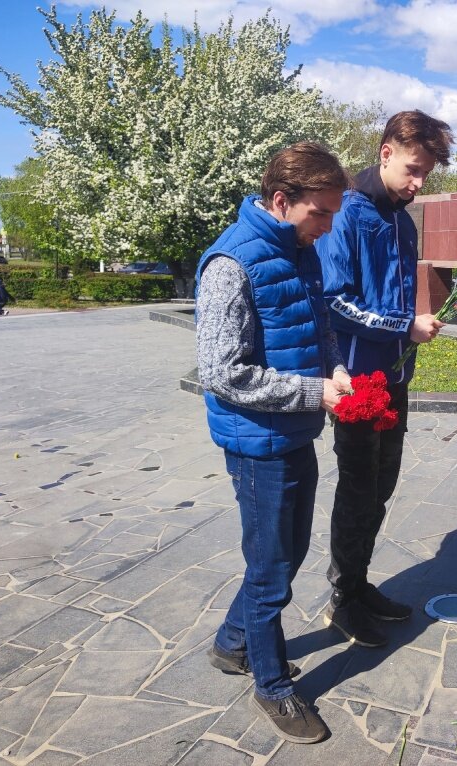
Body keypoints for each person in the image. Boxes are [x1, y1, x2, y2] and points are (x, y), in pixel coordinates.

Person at [194, 142, 351, 744]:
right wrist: (315, 393)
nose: (328, 226)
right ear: (282, 200)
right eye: (320, 212)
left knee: (285, 555)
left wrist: (335, 368)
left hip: (294, 431)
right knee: (270, 571)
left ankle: (232, 642)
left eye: (333, 213)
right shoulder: (230, 263)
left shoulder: (299, 248)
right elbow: (222, 372)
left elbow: (320, 325)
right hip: (257, 445)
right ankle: (272, 686)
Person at [317, 110, 453, 647]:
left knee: (382, 486)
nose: (419, 184)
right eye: (413, 170)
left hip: (394, 378)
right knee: (358, 488)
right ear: (386, 153)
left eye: (427, 174)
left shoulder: (402, 221)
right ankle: (342, 599)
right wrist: (404, 325)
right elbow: (334, 302)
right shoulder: (347, 213)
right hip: (356, 381)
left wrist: (409, 330)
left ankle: (357, 583)